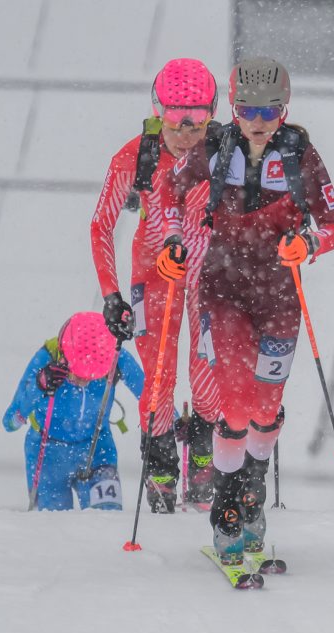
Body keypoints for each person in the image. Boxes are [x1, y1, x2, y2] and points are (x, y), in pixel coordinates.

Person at [156, 57, 334, 563]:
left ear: (284, 110)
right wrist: (173, 242)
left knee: (265, 409)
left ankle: (252, 494)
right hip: (224, 291)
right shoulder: (215, 148)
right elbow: (170, 194)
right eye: (246, 109)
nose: (257, 121)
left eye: (268, 110)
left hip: (279, 298)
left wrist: (308, 244)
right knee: (236, 406)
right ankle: (226, 508)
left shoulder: (301, 155)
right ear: (233, 109)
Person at [89, 58, 222, 513]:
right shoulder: (136, 156)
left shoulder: (227, 151)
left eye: (198, 121)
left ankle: (205, 450)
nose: (186, 133)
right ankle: (162, 461)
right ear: (157, 112)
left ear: (213, 113)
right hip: (154, 274)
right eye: (174, 120)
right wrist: (111, 295)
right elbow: (101, 226)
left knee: (210, 378)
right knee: (158, 379)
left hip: (208, 274)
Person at [3, 312, 144, 511]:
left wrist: (175, 425)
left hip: (98, 451)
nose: (84, 383)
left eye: (94, 377)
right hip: (48, 455)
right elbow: (10, 422)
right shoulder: (47, 357)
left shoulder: (115, 356)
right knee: (54, 532)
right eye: (77, 375)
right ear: (64, 356)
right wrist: (39, 386)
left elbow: (151, 398)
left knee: (108, 524)